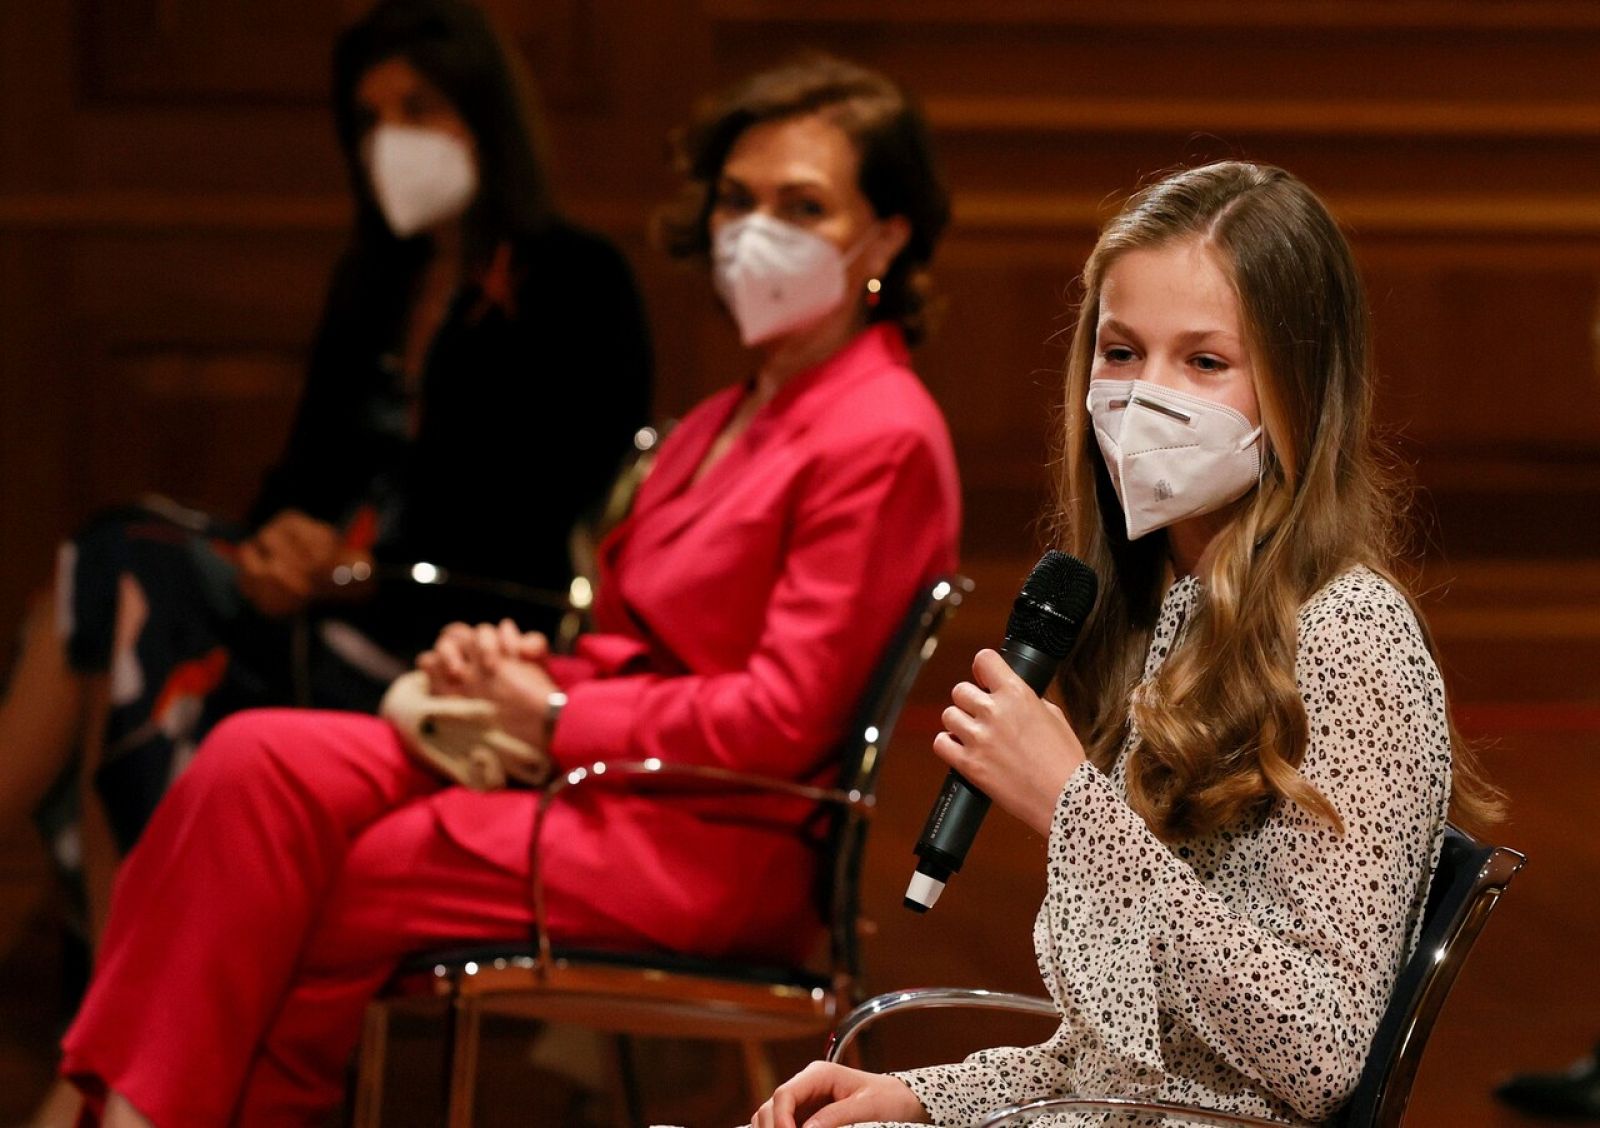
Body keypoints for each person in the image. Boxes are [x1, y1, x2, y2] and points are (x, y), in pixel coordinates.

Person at [52, 54, 961, 1128]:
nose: (754, 229)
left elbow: (781, 719)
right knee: (249, 760)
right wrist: (513, 670)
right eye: (736, 199)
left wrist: (561, 711)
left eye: (801, 205)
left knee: (339, 881)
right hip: (604, 780)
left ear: (888, 234)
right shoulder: (727, 413)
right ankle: (122, 1110)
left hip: (709, 838)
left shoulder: (882, 433)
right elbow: (635, 642)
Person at [751, 161, 1504, 1128]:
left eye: (1203, 362)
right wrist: (920, 1096)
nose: (1148, 397)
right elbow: (1133, 1058)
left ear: (1298, 389)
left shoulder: (1350, 635)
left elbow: (1320, 1047)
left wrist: (1074, 809)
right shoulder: (1156, 613)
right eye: (1120, 352)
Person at [0, 0, 651, 945]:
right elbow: (301, 479)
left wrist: (348, 574)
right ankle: (130, 983)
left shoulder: (577, 281)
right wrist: (276, 549)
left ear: (484, 116)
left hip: (445, 633)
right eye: (371, 119)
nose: (393, 140)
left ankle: (120, 982)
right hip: (317, 608)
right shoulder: (375, 281)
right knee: (114, 563)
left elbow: (535, 509)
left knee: (122, 580)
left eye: (419, 109)